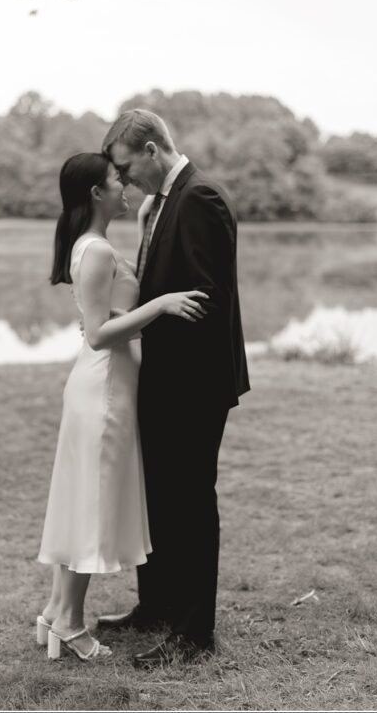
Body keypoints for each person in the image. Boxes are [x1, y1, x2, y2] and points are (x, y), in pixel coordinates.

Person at [35, 152, 209, 662]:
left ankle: (53, 611)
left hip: (109, 388)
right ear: (95, 192)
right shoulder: (94, 252)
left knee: (80, 500)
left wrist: (150, 210)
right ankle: (69, 622)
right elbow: (96, 335)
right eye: (117, 179)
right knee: (90, 504)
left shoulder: (99, 245)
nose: (126, 184)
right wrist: (161, 304)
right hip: (103, 390)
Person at [96, 109, 250, 667]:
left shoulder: (200, 198)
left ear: (152, 150)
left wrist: (149, 337)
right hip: (159, 378)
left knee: (188, 502)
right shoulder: (160, 203)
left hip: (194, 384)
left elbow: (207, 300)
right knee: (157, 495)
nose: (126, 179)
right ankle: (155, 607)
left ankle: (193, 633)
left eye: (127, 166)